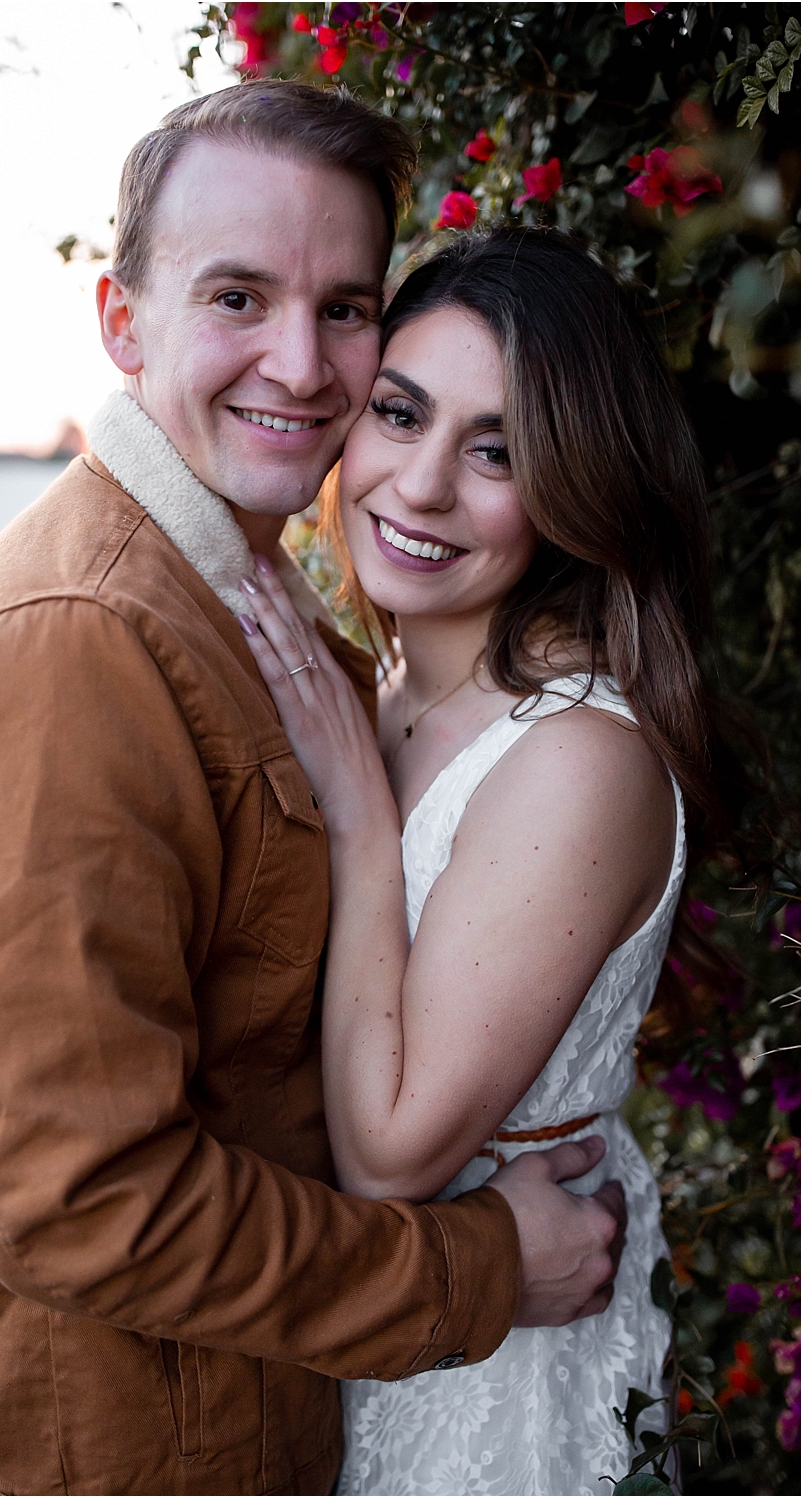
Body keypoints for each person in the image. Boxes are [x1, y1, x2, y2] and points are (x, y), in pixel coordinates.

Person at [0, 86, 624, 1498]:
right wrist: (483, 1265)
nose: (301, 359)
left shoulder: (245, 603)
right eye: (236, 295)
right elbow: (83, 1204)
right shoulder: (70, 646)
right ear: (122, 320)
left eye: (343, 306)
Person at [240, 228, 713, 1496]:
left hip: (502, 1362)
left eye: (496, 449)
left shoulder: (576, 757)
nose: (421, 483)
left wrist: (354, 813)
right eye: (399, 414)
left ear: (576, 487)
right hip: (366, 1313)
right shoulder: (385, 681)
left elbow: (392, 1151)